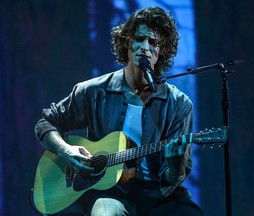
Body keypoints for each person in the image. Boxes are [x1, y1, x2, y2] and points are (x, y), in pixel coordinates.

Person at [34, 6, 204, 216]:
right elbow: (46, 123)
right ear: (126, 42)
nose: (145, 47)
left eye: (153, 43)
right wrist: (65, 150)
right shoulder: (95, 90)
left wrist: (175, 167)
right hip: (109, 192)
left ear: (163, 51)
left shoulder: (179, 103)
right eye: (139, 38)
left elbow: (171, 178)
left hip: (159, 195)